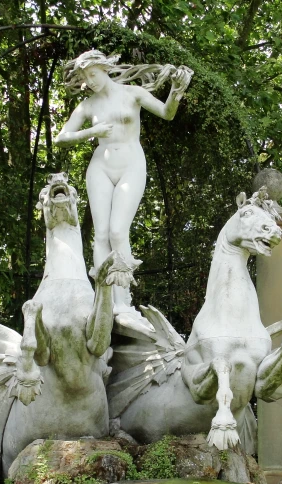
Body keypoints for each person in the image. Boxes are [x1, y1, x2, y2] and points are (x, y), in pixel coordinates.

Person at [54, 50, 193, 313]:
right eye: (86, 78)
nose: (91, 81)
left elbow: (167, 113)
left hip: (131, 164)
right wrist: (92, 131)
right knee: (102, 235)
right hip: (101, 166)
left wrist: (175, 92)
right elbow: (61, 137)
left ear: (105, 69)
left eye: (93, 74)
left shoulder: (133, 94)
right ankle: (103, 302)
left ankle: (123, 301)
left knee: (118, 232)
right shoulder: (89, 105)